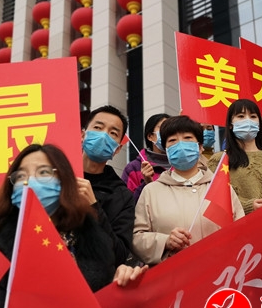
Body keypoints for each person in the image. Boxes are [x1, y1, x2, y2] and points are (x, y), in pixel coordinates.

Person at [0, 144, 146, 308]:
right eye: (20, 176)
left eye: (43, 172)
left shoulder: (93, 240)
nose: (29, 182)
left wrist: (122, 285)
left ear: (64, 182)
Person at [132, 116, 244, 265]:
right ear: (166, 150)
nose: (180, 144)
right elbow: (137, 238)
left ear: (200, 147)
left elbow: (241, 230)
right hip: (173, 275)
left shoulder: (220, 188)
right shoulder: (151, 191)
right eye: (172, 140)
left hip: (220, 272)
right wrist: (165, 241)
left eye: (187, 138)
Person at [209, 99, 262, 214]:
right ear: (230, 124)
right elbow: (215, 197)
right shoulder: (219, 159)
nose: (248, 120)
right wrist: (248, 206)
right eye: (241, 116)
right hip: (241, 222)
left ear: (259, 123)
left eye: (253, 116)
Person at [80, 105, 136, 266]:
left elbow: (119, 254)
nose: (104, 135)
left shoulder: (122, 196)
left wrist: (94, 207)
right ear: (82, 135)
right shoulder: (57, 176)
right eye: (98, 128)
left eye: (113, 133)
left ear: (117, 149)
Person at [122, 113, 170, 203]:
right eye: (163, 127)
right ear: (150, 136)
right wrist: (146, 184)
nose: (168, 132)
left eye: (171, 129)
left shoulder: (183, 165)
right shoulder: (133, 168)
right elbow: (127, 205)